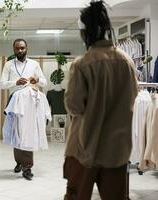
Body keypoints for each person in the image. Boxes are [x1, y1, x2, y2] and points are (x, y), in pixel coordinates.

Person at [63, 1, 138, 199]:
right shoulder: (126, 62)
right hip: (117, 150)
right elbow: (133, 98)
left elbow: (74, 106)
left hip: (85, 148)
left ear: (84, 33)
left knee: (77, 195)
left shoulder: (83, 64)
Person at [0, 38, 47, 180]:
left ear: (27, 48)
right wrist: (15, 82)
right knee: (17, 132)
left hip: (31, 102)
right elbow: (2, 84)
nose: (20, 51)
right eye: (17, 48)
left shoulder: (34, 64)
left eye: (22, 48)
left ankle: (27, 167)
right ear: (13, 49)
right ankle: (18, 162)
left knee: (29, 132)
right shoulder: (8, 65)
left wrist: (37, 80)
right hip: (15, 101)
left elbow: (44, 82)